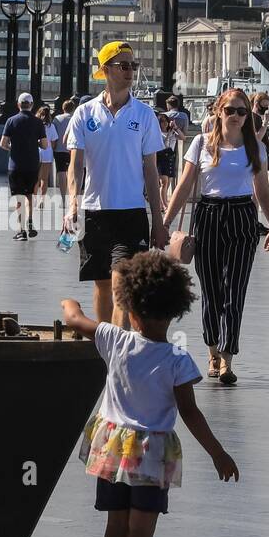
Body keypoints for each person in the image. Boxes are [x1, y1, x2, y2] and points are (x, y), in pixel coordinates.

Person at [60, 251, 239, 537]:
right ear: (175, 312)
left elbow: (74, 319)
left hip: (111, 446)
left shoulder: (115, 339)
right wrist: (218, 453)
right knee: (142, 526)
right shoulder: (177, 359)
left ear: (131, 310)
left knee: (116, 523)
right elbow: (189, 412)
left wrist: (69, 302)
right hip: (150, 452)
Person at [162, 90, 269, 384]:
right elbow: (185, 185)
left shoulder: (255, 147)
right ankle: (213, 349)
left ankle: (227, 358)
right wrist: (163, 223)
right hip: (209, 215)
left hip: (242, 217)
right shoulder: (201, 144)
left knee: (235, 290)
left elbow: (262, 189)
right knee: (212, 291)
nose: (238, 117)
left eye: (242, 112)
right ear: (218, 111)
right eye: (231, 111)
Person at [65, 41, 168, 326]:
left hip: (131, 212)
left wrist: (157, 221)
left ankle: (118, 348)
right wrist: (72, 203)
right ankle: (106, 347)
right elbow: (74, 164)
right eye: (124, 66)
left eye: (133, 66)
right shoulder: (85, 114)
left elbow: (151, 169)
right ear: (105, 70)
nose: (130, 71)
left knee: (121, 281)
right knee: (101, 284)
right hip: (94, 211)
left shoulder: (145, 115)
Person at [0, 94, 49, 240]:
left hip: (15, 165)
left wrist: (13, 148)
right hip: (32, 165)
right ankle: (30, 220)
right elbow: (45, 145)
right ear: (32, 105)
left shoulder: (11, 121)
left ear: (18, 104)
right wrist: (36, 144)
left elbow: (2, 143)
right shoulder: (38, 122)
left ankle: (21, 230)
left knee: (19, 198)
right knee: (29, 196)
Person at [33, 105, 59, 227]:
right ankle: (42, 200)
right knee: (44, 178)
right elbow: (54, 141)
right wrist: (50, 148)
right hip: (47, 152)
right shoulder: (51, 126)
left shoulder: (35, 125)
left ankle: (33, 198)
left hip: (35, 152)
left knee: (35, 178)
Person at [52, 99, 76, 194]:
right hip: (72, 149)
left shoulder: (57, 119)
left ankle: (63, 196)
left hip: (59, 149)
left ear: (63, 108)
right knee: (72, 172)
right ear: (73, 108)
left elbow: (54, 134)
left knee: (61, 172)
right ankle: (72, 194)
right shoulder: (75, 118)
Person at [156, 112, 179, 208]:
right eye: (162, 121)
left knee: (168, 182)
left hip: (170, 157)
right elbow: (163, 145)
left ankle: (162, 202)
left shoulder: (173, 132)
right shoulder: (157, 133)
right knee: (164, 182)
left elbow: (183, 137)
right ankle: (165, 205)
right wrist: (169, 134)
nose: (164, 123)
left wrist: (175, 127)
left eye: (166, 121)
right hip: (161, 157)